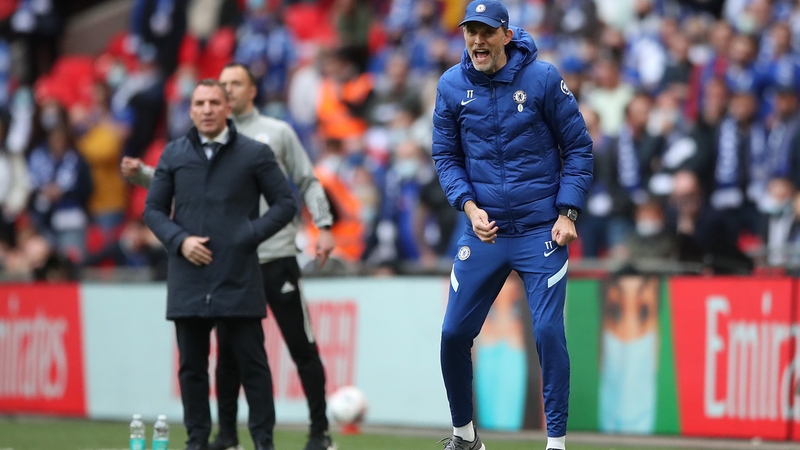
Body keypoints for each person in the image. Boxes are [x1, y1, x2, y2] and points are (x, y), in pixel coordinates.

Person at [124, 63, 338, 450]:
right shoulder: (184, 150)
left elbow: (304, 184)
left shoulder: (275, 135)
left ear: (246, 93)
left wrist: (322, 225)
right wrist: (145, 177)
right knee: (225, 359)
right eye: (210, 93)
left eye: (231, 87)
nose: (221, 95)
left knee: (296, 347)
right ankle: (223, 437)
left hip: (273, 257)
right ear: (192, 108)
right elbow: (181, 189)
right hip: (218, 266)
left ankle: (319, 431)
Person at [431, 1, 593, 450]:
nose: (477, 41)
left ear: (505, 34)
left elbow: (579, 148)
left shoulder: (542, 78)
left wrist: (568, 212)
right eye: (470, 32)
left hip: (541, 229)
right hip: (485, 231)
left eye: (486, 32)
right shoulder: (450, 85)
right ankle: (465, 438)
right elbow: (445, 156)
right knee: (452, 335)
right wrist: (467, 206)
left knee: (546, 332)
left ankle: (556, 444)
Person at [143, 79, 297, 450]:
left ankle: (263, 441)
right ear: (191, 109)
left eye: (215, 102)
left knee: (253, 366)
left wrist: (248, 234)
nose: (207, 109)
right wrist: (180, 242)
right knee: (192, 368)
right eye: (200, 103)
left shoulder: (253, 153)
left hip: (238, 274)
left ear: (228, 108)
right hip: (189, 276)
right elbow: (153, 210)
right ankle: (196, 440)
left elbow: (286, 203)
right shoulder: (173, 154)